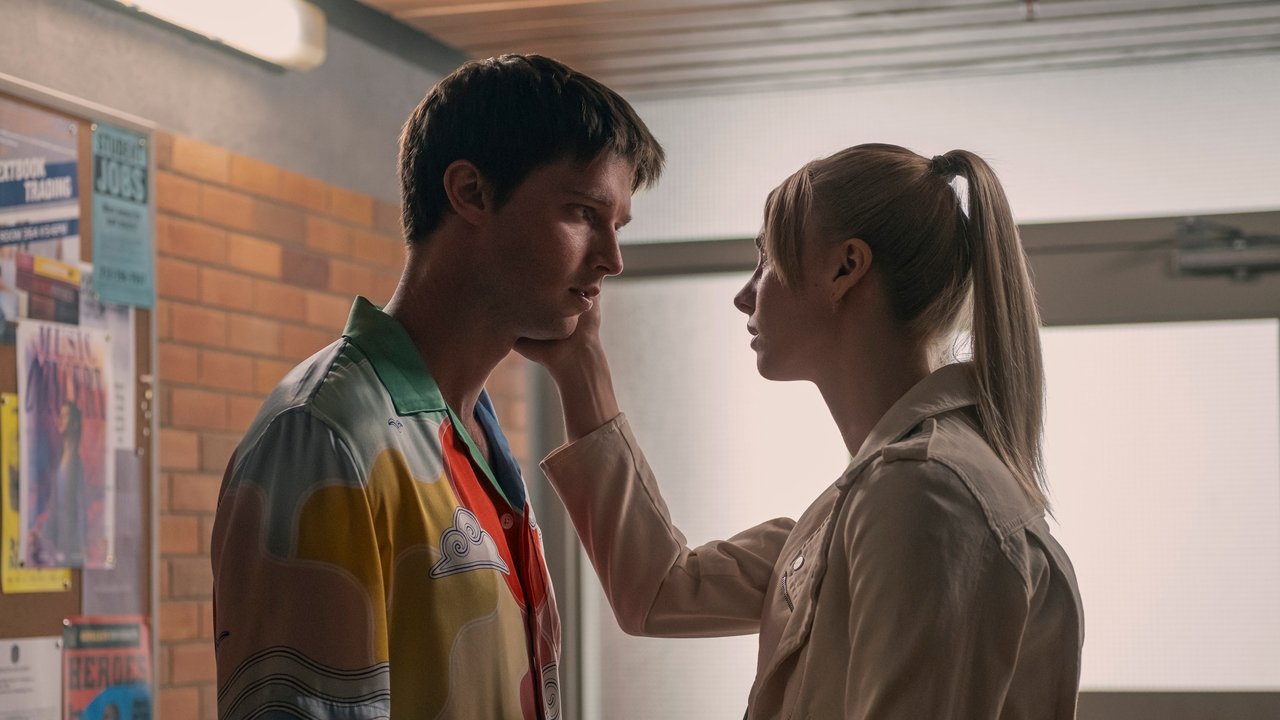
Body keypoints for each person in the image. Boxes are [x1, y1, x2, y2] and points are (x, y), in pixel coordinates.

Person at [524, 144, 1084, 719]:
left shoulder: (926, 491)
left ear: (845, 268)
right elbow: (660, 593)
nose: (744, 295)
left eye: (766, 260)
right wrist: (579, 363)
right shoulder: (877, 495)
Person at [211, 54, 663, 719]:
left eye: (616, 226)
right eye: (582, 213)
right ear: (471, 193)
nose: (612, 260)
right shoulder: (327, 434)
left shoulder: (469, 437)